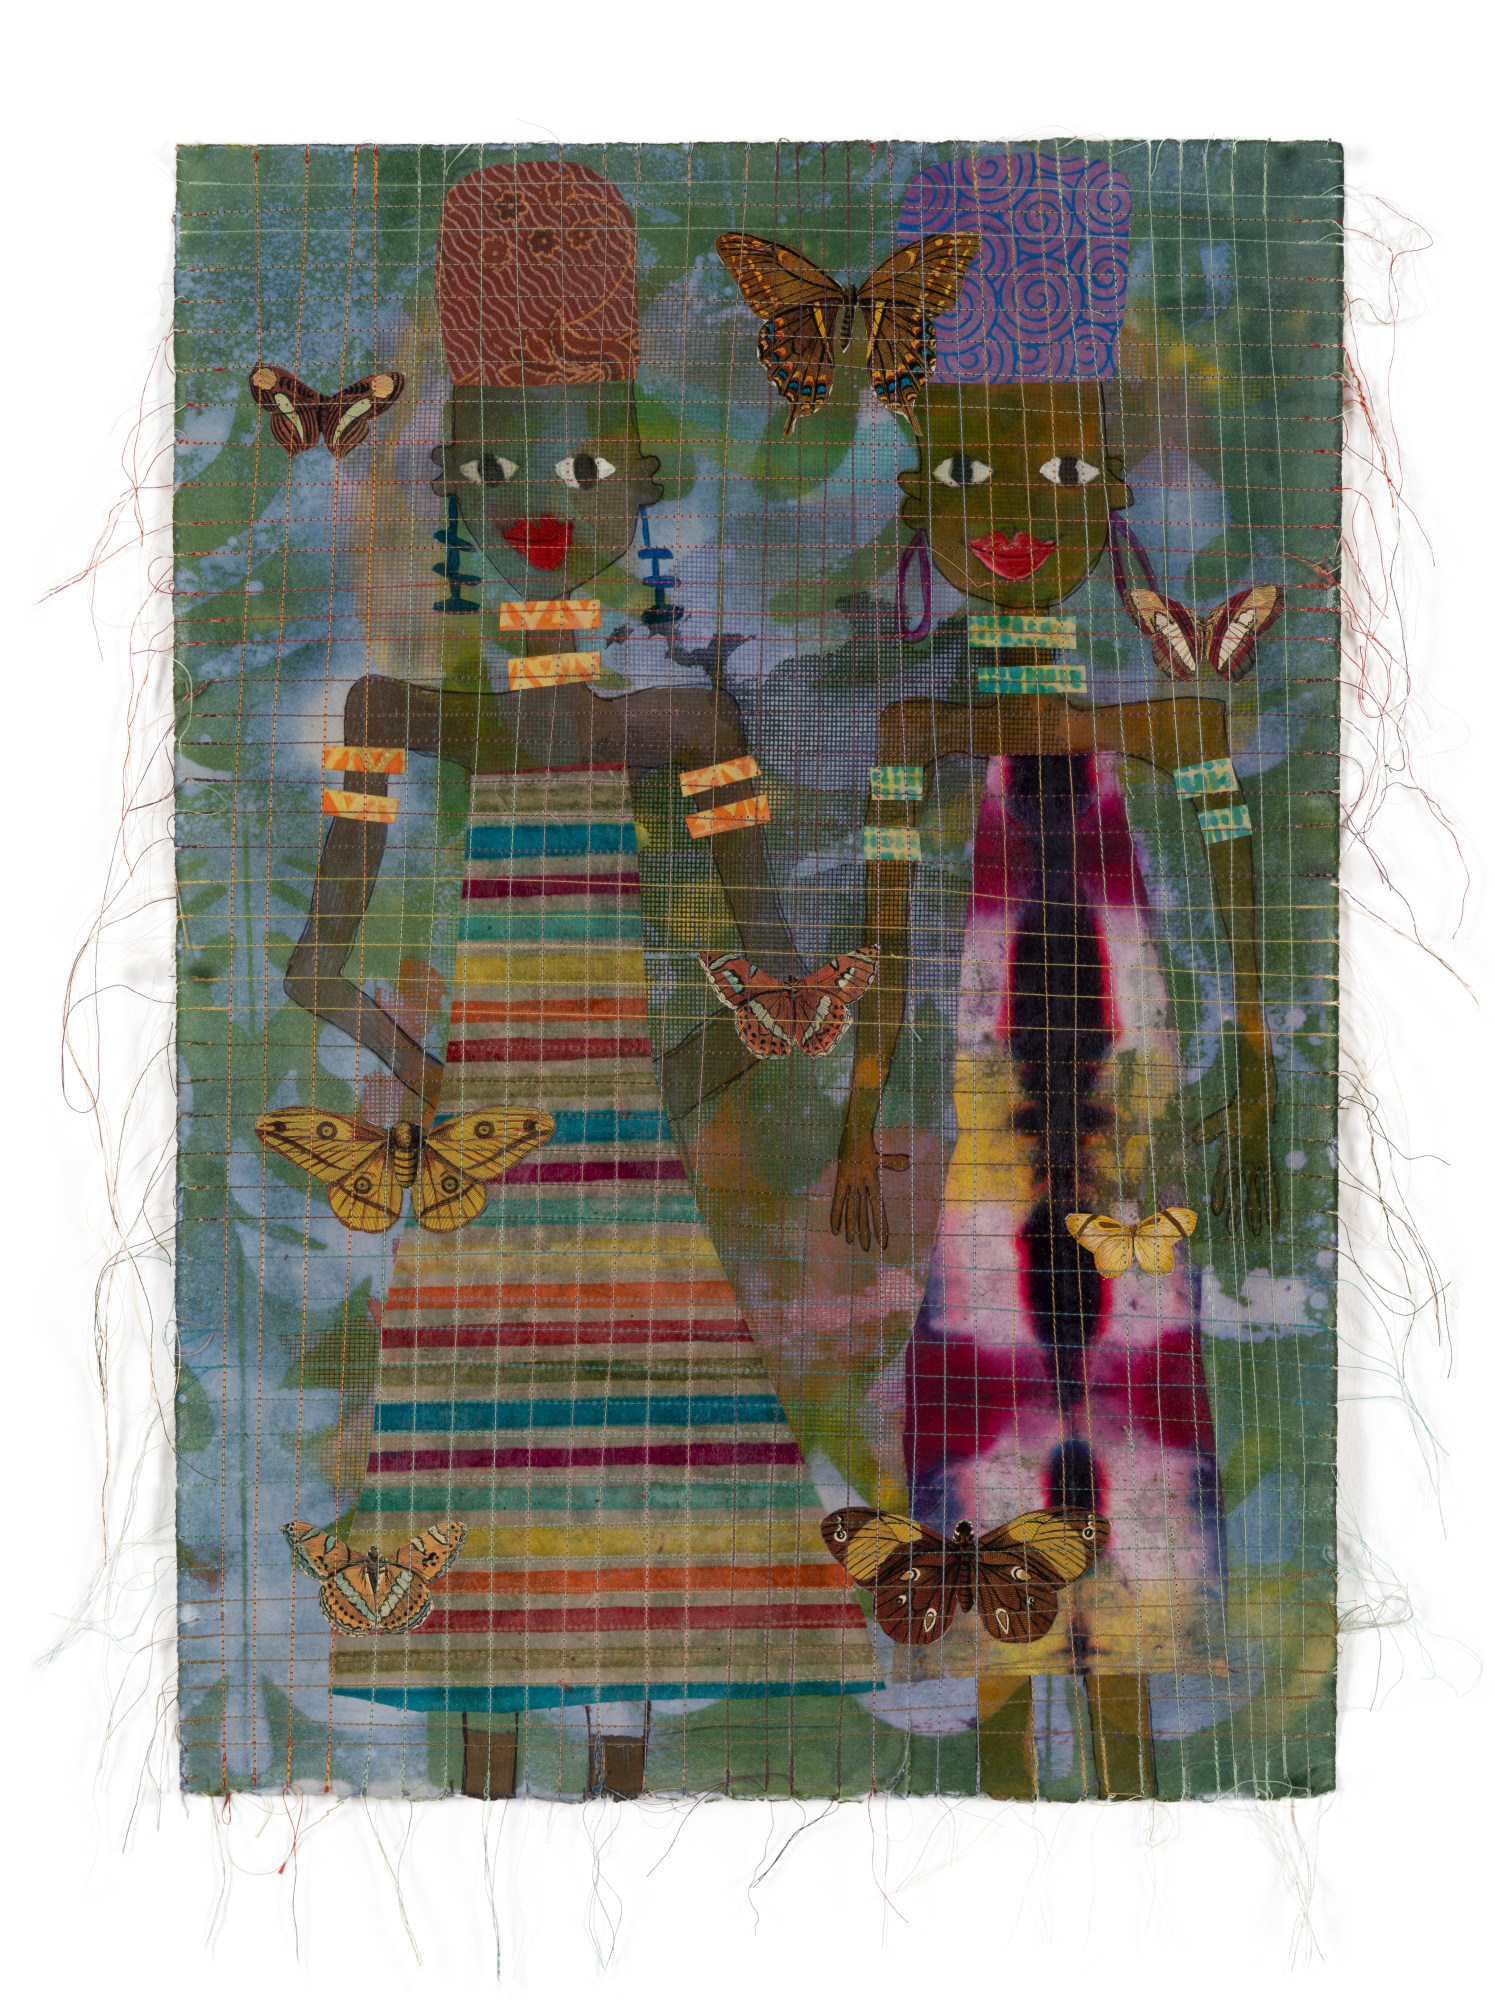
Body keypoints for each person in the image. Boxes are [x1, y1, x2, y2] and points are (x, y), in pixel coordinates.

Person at [283, 160, 875, 1800]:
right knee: (487, 1447)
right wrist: (431, 1074)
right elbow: (313, 967)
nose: (540, 499)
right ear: (454, 499)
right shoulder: (405, 712)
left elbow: (769, 987)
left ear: (643, 496)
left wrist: (642, 1102)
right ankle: (489, 1779)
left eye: (590, 466)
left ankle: (610, 1788)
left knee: (631, 1460)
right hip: (496, 1149)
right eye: (493, 467)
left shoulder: (676, 721)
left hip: (600, 1155)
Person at [829, 152, 1283, 1796]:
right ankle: (1013, 1742)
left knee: (1137, 1394)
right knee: (987, 1388)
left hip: (1124, 1117)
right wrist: (861, 1110)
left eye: (1065, 470)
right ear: (920, 501)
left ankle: (1127, 1757)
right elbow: (889, 937)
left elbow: (1231, 876)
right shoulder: (931, 723)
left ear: (1111, 502)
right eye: (966, 472)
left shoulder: (1148, 718)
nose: (1013, 513)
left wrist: (1255, 1063)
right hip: (986, 1148)